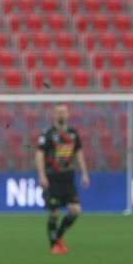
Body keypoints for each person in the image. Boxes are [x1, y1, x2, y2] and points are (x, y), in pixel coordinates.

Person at [35, 102, 90, 255]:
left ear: (68, 114)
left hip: (68, 177)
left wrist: (84, 173)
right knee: (55, 212)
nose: (61, 115)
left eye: (64, 112)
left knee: (76, 210)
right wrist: (42, 175)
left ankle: (58, 237)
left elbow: (78, 153)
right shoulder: (47, 133)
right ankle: (54, 246)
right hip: (52, 177)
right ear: (54, 115)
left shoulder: (73, 133)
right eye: (58, 112)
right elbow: (39, 154)